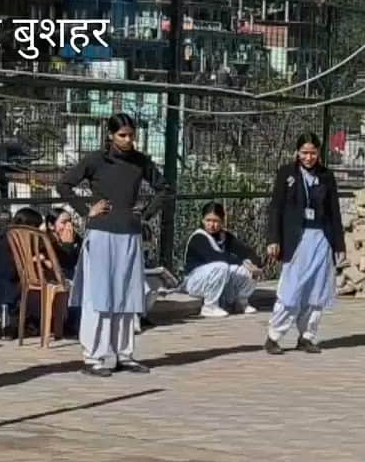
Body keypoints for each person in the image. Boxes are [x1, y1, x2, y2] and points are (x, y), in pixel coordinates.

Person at [57, 112, 173, 377]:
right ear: (111, 135)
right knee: (99, 295)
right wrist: (87, 210)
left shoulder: (140, 161)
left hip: (129, 233)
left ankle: (124, 353)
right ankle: (95, 356)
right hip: (101, 233)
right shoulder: (96, 160)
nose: (128, 139)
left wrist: (144, 215)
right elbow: (64, 185)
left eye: (132, 135)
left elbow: (165, 188)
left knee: (127, 293)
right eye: (122, 135)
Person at [263, 133, 346, 355]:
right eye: (304, 153)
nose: (308, 158)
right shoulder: (286, 174)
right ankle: (274, 335)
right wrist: (274, 239)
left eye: (313, 153)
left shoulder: (326, 176)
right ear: (297, 153)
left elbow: (334, 212)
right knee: (292, 289)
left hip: (321, 239)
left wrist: (339, 245)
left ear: (319, 153)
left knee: (317, 291)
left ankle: (307, 335)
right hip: (296, 239)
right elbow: (276, 208)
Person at [183, 202, 260, 318]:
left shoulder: (225, 236)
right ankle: (209, 306)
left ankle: (241, 302)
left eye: (215, 221)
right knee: (222, 266)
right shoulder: (198, 237)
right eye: (208, 220)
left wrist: (254, 264)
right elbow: (216, 257)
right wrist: (243, 263)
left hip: (217, 278)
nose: (211, 225)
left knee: (246, 270)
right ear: (202, 220)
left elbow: (246, 252)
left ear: (222, 221)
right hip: (195, 281)